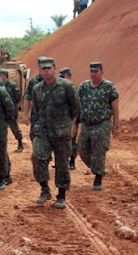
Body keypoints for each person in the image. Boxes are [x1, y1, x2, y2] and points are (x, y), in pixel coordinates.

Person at [31, 58, 80, 209]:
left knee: (62, 164)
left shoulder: (66, 86)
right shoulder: (37, 89)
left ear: (54, 69)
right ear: (39, 70)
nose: (46, 71)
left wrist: (69, 124)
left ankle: (61, 195)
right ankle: (45, 189)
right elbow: (36, 109)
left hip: (61, 132)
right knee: (37, 157)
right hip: (43, 131)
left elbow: (76, 107)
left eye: (49, 68)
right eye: (43, 68)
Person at [77, 62, 119, 190]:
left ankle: (98, 177)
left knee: (99, 151)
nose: (93, 74)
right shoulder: (83, 87)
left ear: (102, 72)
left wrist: (116, 125)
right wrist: (74, 123)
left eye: (96, 71)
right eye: (92, 71)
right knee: (82, 149)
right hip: (86, 124)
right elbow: (77, 106)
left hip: (102, 124)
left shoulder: (108, 87)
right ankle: (97, 168)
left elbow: (115, 107)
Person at [0, 69, 24, 152]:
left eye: (0, 75)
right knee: (1, 128)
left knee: (14, 127)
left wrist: (12, 105)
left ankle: (20, 143)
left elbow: (18, 97)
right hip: (2, 110)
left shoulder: (12, 85)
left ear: (4, 76)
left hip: (11, 110)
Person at [22, 56, 46, 141]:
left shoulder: (56, 82)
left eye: (47, 67)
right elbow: (27, 97)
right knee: (35, 138)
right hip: (36, 116)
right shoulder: (34, 81)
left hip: (52, 117)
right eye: (42, 67)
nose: (44, 70)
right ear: (38, 67)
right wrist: (25, 114)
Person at [60, 67, 79, 170]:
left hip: (71, 120)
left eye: (63, 76)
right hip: (60, 120)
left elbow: (77, 107)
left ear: (69, 76)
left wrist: (74, 123)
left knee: (72, 141)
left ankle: (72, 161)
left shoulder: (74, 89)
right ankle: (61, 161)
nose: (61, 79)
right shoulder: (58, 89)